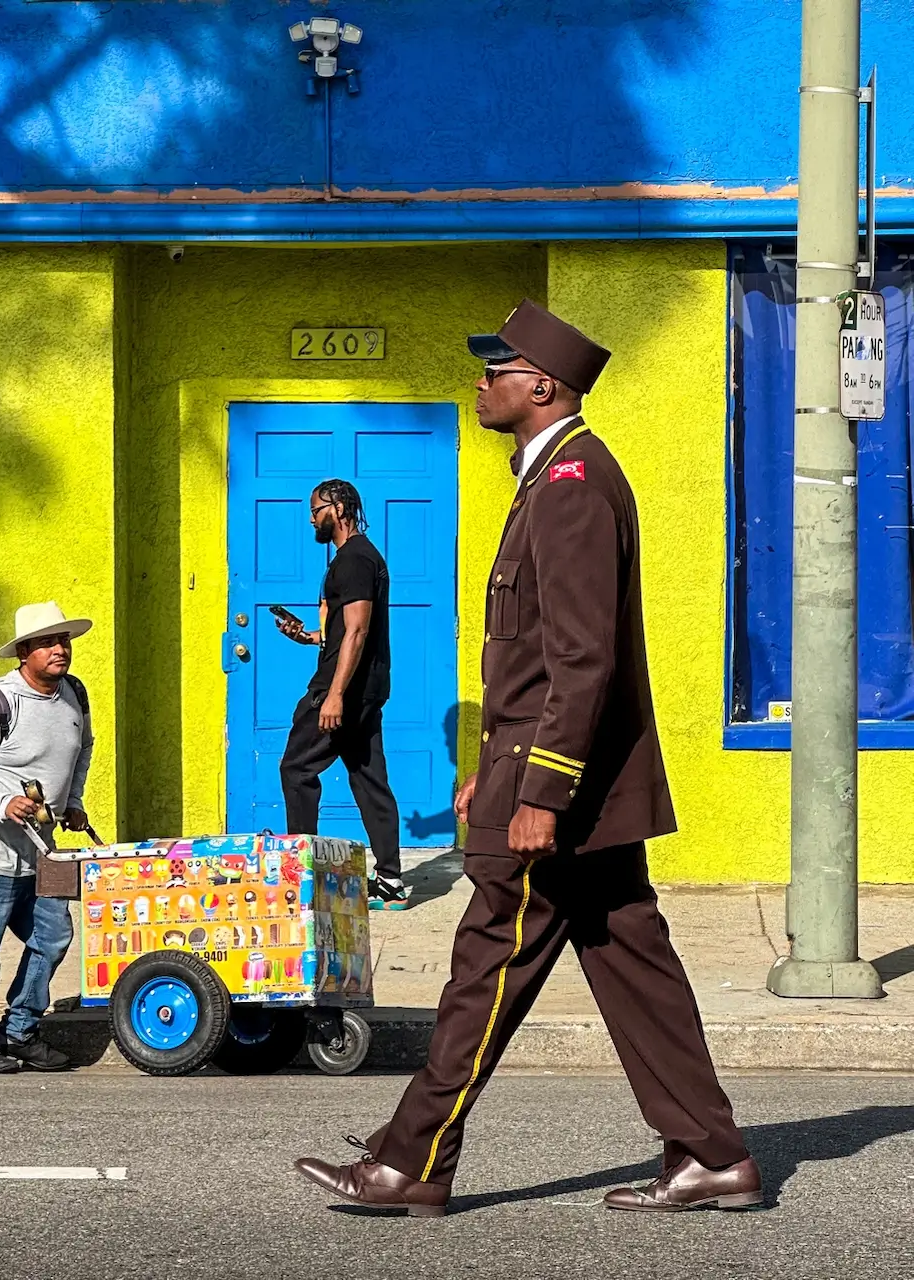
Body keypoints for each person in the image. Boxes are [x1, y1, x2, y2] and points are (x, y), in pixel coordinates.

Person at [293, 300, 762, 1215]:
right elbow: (534, 658)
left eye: (492, 370)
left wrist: (537, 791)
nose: (479, 383)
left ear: (539, 385)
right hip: (559, 785)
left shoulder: (574, 484)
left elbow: (582, 659)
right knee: (635, 967)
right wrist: (487, 767)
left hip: (558, 799)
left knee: (483, 967)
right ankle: (713, 1155)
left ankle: (412, 1162)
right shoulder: (551, 480)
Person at [0, 601, 94, 1075]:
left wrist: (73, 800)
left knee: (53, 936)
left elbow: (82, 749)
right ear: (23, 654)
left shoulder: (74, 695)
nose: (59, 650)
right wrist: (1, 803)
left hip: (42, 852)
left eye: (63, 641)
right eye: (47, 643)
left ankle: (20, 1030)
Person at [277, 479, 408, 910]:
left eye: (316, 509)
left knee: (296, 768)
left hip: (343, 691)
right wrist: (308, 635)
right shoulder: (359, 558)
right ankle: (389, 880)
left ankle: (303, 877)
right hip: (365, 689)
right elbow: (342, 632)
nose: (311, 518)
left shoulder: (353, 559)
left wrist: (333, 696)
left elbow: (357, 629)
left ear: (338, 508)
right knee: (369, 779)